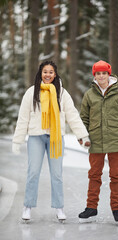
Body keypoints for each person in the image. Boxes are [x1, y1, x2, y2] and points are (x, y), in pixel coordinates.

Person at [12, 61, 90, 222]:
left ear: (55, 74)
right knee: (33, 172)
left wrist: (82, 136)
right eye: (45, 71)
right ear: (40, 73)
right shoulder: (31, 92)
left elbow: (72, 115)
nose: (48, 75)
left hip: (55, 138)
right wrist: (17, 140)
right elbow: (23, 118)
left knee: (57, 174)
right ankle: (27, 206)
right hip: (36, 137)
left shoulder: (61, 93)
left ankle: (59, 208)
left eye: (51, 72)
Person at [78, 60, 118, 223]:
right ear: (94, 75)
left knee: (116, 176)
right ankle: (91, 207)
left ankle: (116, 208)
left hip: (116, 139)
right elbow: (83, 118)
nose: (101, 76)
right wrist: (82, 136)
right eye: (98, 73)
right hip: (96, 141)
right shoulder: (89, 94)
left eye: (104, 73)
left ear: (109, 74)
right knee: (94, 175)